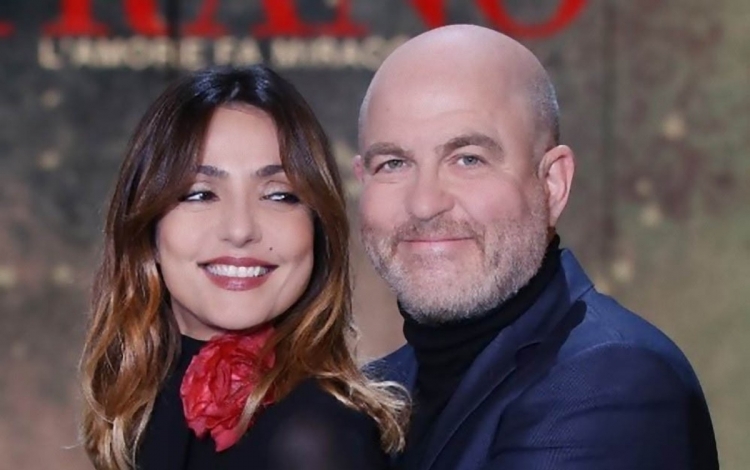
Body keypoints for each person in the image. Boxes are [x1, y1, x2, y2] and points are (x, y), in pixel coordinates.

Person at [355, 24, 718, 470]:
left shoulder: (610, 378)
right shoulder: (372, 393)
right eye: (393, 163)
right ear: (362, 181)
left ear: (552, 183)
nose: (425, 203)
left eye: (468, 159)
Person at [79, 65, 407, 470]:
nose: (240, 230)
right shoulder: (138, 404)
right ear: (148, 226)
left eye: (279, 195)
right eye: (199, 194)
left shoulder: (315, 436)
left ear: (318, 228)